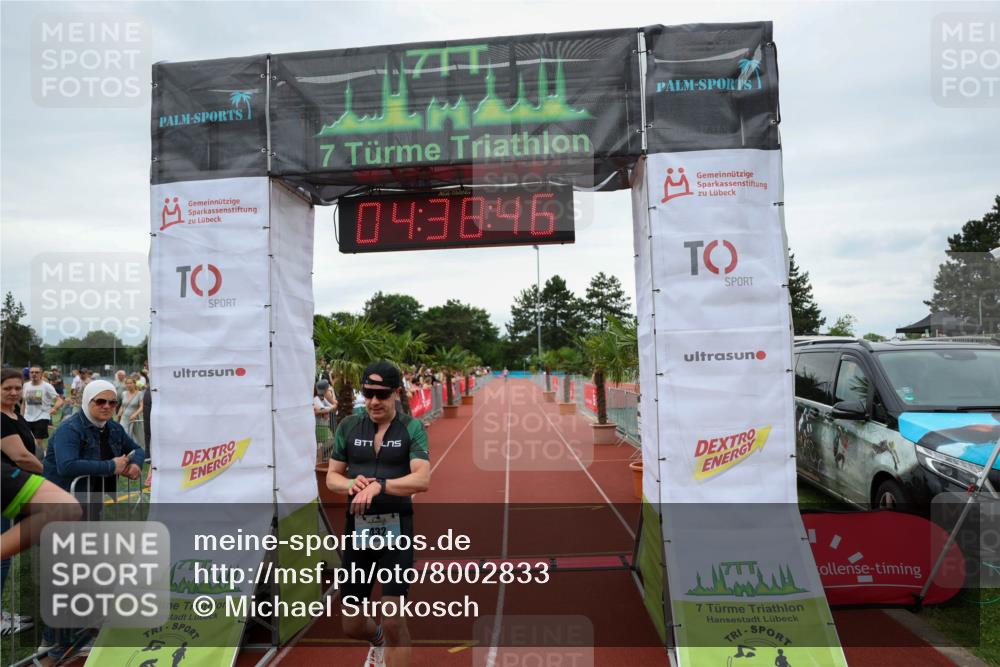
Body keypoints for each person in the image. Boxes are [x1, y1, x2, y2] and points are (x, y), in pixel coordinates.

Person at [325, 361, 430, 667]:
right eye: (368, 393)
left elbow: (422, 479)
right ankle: (378, 641)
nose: (373, 401)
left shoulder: (411, 428)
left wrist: (380, 485)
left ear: (396, 392)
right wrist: (351, 484)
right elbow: (332, 477)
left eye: (381, 394)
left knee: (394, 619)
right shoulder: (348, 426)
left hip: (397, 532)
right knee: (351, 624)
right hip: (358, 534)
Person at [43, 379, 145, 497]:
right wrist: (111, 466)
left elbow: (137, 449)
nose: (107, 406)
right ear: (87, 401)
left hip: (95, 496)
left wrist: (135, 464)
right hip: (65, 496)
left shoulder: (115, 428)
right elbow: (67, 466)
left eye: (112, 403)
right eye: (100, 401)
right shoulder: (69, 429)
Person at [1, 368, 43, 636]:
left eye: (18, 387)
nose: (14, 392)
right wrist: (46, 470)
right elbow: (21, 457)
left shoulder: (15, 415)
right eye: (7, 388)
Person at [21, 367, 62, 455]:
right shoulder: (25, 385)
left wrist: (54, 408)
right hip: (27, 418)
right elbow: (23, 403)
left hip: (42, 417)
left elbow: (59, 400)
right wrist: (21, 417)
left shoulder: (46, 386)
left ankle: (39, 460)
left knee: (37, 443)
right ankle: (42, 456)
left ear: (41, 374)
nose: (34, 374)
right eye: (32, 372)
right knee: (28, 442)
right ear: (29, 374)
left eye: (36, 372)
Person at [116, 377, 145, 448]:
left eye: (130, 383)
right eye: (127, 383)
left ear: (134, 384)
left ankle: (137, 449)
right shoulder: (124, 393)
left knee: (136, 436)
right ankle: (125, 449)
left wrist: (135, 414)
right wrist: (119, 415)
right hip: (124, 418)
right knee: (124, 433)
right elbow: (122, 406)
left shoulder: (139, 394)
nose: (129, 385)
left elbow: (142, 406)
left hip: (134, 418)